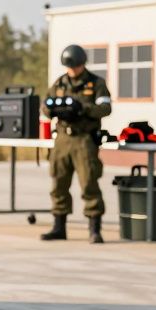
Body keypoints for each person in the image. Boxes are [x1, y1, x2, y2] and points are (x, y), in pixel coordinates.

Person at [40, 44, 112, 243]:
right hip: (63, 138)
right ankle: (59, 227)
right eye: (69, 67)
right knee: (59, 183)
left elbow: (105, 108)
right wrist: (54, 111)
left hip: (84, 139)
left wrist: (83, 109)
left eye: (75, 67)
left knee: (89, 182)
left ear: (82, 64)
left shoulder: (96, 83)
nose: (72, 71)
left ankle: (94, 229)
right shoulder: (60, 84)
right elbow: (45, 106)